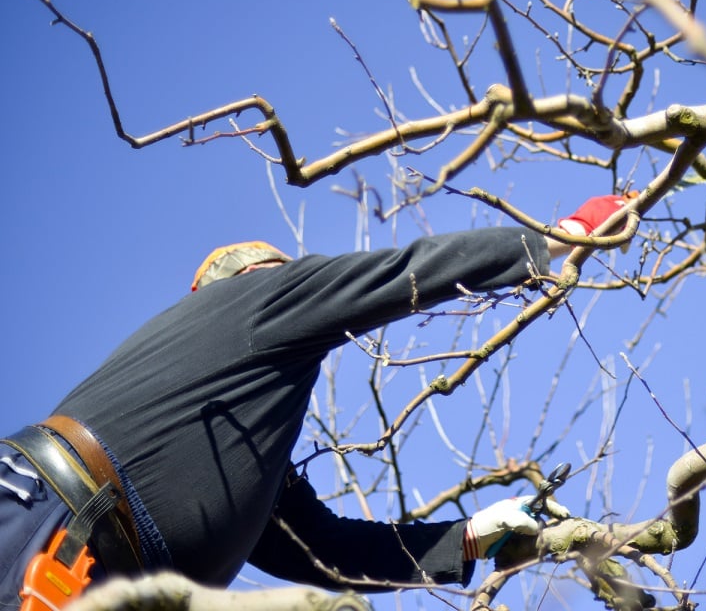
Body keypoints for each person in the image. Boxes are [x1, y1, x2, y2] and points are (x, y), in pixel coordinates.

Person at [0, 194, 631, 606]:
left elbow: (322, 550)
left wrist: (465, 538)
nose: (305, 283)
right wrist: (556, 240)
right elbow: (395, 275)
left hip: (90, 566)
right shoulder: (253, 301)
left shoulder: (239, 442)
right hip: (47, 522)